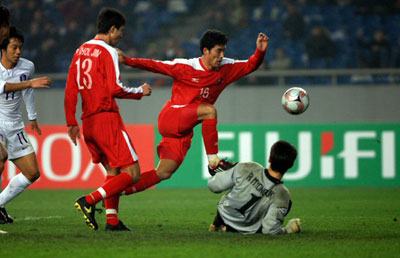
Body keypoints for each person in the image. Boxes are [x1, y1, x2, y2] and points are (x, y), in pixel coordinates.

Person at [116, 30, 268, 199]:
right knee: (209, 111)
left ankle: (113, 192)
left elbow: (250, 65)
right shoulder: (186, 66)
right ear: (206, 51)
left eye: (224, 51)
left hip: (184, 130)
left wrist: (260, 51)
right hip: (171, 117)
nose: (222, 55)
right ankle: (213, 161)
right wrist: (127, 60)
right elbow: (155, 64)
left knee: (164, 172)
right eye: (218, 51)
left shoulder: (226, 68)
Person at [64, 7, 152, 231]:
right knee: (132, 174)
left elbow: (71, 89)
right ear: (112, 29)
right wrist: (140, 91)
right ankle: (89, 200)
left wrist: (71, 122)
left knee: (113, 172)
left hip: (89, 123)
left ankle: (112, 220)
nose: (121, 35)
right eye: (120, 31)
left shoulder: (80, 50)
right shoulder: (108, 52)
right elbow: (115, 88)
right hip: (106, 119)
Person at [0, 26, 51, 224]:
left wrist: (32, 117)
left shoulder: (27, 67)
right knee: (1, 157)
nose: (18, 52)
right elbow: (2, 88)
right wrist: (30, 83)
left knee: (32, 172)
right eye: (14, 47)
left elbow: (28, 92)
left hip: (15, 125)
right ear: (3, 49)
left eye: (20, 47)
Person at [208, 140, 301, 235]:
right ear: (290, 166)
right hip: (247, 228)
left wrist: (223, 172)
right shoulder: (282, 193)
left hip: (223, 214)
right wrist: (288, 229)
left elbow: (213, 186)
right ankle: (229, 229)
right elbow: (269, 229)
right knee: (286, 203)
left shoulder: (249, 167)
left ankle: (217, 224)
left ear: (269, 158)